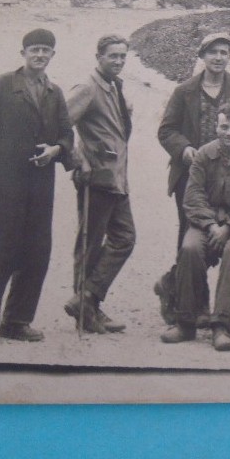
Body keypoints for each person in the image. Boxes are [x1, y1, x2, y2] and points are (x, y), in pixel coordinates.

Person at [0, 28, 74, 346]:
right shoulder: (3, 85)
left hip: (41, 185)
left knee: (37, 252)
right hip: (6, 182)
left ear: (53, 55)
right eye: (34, 49)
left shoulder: (55, 92)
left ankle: (16, 322)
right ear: (22, 53)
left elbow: (67, 134)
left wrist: (56, 150)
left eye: (46, 51)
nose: (40, 55)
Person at [155, 32, 230, 321]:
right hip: (194, 173)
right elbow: (166, 130)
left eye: (224, 52)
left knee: (218, 244)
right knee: (193, 240)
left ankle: (172, 283)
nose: (219, 58)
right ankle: (197, 307)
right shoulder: (185, 91)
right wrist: (185, 151)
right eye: (212, 52)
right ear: (202, 56)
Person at [160, 99, 230, 352]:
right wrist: (210, 226)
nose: (229, 133)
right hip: (207, 223)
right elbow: (193, 196)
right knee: (189, 248)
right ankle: (185, 322)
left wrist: (228, 227)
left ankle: (222, 325)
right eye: (224, 127)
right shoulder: (203, 154)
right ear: (216, 128)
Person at [63, 34, 136, 334]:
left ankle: (87, 298)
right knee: (90, 245)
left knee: (125, 238)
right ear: (99, 57)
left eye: (122, 56)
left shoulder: (114, 86)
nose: (118, 61)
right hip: (96, 178)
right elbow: (59, 124)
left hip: (116, 177)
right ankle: (87, 311)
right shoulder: (88, 87)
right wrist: (79, 159)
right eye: (112, 56)